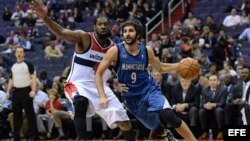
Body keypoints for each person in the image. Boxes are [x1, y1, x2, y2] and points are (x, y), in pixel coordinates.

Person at [30, 0, 135, 140]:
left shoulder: (114, 49)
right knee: (80, 102)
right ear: (94, 26)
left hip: (100, 89)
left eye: (105, 24)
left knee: (124, 122)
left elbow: (122, 70)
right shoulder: (85, 38)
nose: (103, 27)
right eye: (100, 24)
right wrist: (45, 18)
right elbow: (61, 32)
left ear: (109, 27)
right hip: (76, 84)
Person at [96, 19, 197, 141]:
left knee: (169, 115)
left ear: (138, 34)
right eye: (125, 31)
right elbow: (99, 73)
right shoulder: (115, 51)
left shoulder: (146, 50)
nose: (127, 34)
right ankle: (166, 135)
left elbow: (160, 68)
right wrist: (103, 94)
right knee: (155, 127)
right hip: (131, 98)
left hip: (149, 90)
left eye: (131, 31)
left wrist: (181, 64)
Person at [6, 47, 37, 141]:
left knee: (30, 114)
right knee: (16, 115)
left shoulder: (28, 64)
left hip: (26, 91)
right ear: (15, 54)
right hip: (16, 92)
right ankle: (16, 136)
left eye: (21, 52)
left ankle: (33, 136)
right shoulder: (13, 66)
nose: (19, 53)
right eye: (17, 52)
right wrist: (8, 91)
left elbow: (33, 78)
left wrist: (33, 90)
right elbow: (11, 79)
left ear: (24, 54)